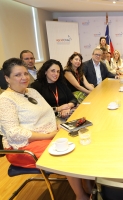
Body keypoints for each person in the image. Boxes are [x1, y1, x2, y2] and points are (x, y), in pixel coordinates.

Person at [0, 58, 91, 200]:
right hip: (23, 147)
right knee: (68, 154)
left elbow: (48, 113)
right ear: (7, 78)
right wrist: (49, 136)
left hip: (48, 135)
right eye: (17, 75)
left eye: (25, 73)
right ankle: (81, 196)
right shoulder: (5, 99)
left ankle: (90, 186)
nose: (24, 77)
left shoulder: (31, 91)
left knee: (81, 140)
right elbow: (14, 133)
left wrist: (58, 126)